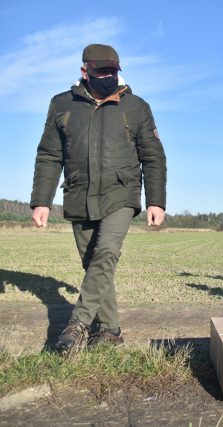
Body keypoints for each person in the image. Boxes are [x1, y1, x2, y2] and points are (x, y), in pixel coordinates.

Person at [30, 44, 167, 352]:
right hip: (78, 195)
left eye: (112, 72)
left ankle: (78, 325)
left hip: (121, 194)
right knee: (94, 264)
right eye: (100, 72)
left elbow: (153, 156)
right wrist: (42, 200)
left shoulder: (136, 106)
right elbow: (50, 155)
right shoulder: (62, 104)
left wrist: (156, 200)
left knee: (105, 253)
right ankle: (110, 330)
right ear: (84, 72)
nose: (107, 77)